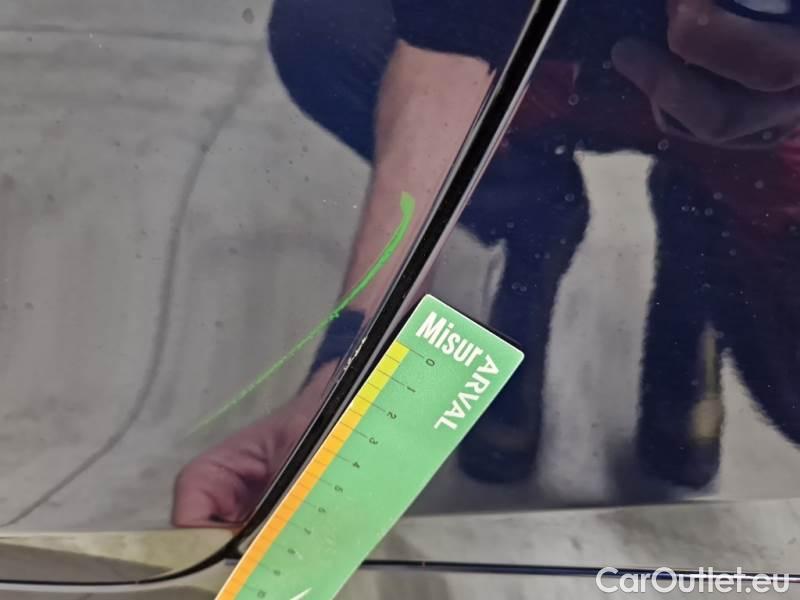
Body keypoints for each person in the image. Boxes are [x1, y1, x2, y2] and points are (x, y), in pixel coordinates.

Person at [172, 0, 800, 527]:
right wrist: (354, 364)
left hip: (772, 119)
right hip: (548, 58)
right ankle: (535, 227)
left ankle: (702, 246)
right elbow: (447, 35)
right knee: (325, 29)